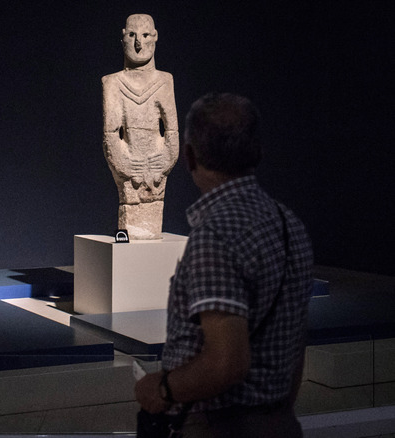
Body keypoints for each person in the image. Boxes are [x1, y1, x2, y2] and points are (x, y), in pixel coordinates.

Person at [134, 93, 313, 437]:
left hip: (222, 426)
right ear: (257, 151)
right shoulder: (290, 224)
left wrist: (162, 388)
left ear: (188, 156)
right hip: (278, 420)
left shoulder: (216, 236)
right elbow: (295, 344)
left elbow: (226, 363)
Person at [102, 14, 179, 239]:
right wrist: (124, 164)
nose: (139, 43)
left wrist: (164, 161)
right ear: (123, 38)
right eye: (133, 35)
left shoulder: (164, 81)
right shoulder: (113, 83)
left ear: (155, 38)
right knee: (131, 201)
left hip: (156, 167)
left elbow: (171, 132)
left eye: (145, 35)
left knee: (153, 202)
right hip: (129, 167)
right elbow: (111, 135)